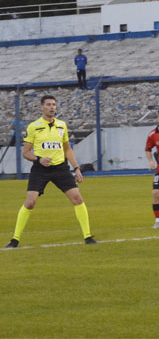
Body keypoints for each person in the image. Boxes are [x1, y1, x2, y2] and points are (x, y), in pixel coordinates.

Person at [5, 95, 96, 248]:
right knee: (30, 202)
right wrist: (38, 159)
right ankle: (14, 240)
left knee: (77, 199)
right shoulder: (34, 126)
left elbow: (68, 149)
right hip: (40, 169)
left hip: (60, 168)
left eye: (54, 104)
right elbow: (25, 152)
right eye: (48, 104)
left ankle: (88, 237)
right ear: (41, 107)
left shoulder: (62, 125)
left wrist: (76, 168)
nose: (52, 107)